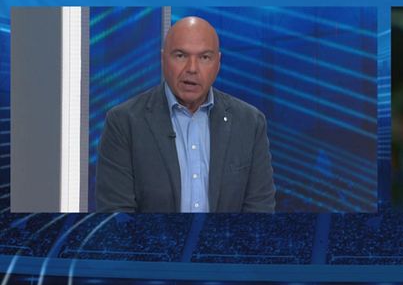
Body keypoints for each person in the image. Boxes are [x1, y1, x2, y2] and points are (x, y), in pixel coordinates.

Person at [96, 16, 275, 212]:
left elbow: (260, 210)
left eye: (204, 57)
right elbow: (117, 214)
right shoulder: (124, 122)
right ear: (163, 59)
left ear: (218, 63)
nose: (192, 69)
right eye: (181, 56)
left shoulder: (249, 123)